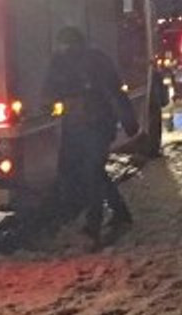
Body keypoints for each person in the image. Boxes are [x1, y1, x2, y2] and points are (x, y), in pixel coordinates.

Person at [42, 26, 139, 243]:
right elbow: (49, 92)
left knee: (92, 171)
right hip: (81, 124)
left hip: (96, 124)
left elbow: (113, 91)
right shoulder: (80, 61)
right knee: (91, 171)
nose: (65, 49)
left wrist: (127, 120)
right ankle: (119, 212)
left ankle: (92, 225)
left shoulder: (92, 62)